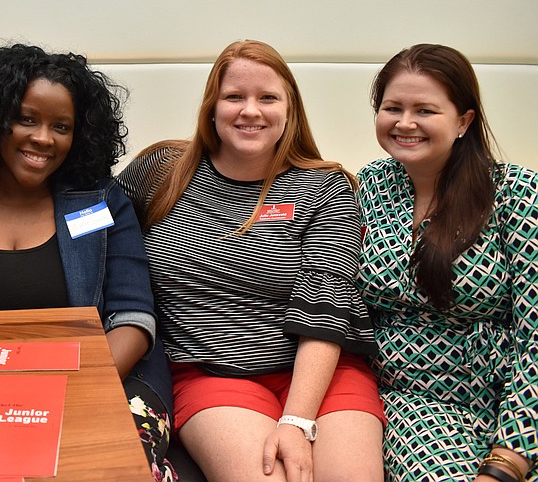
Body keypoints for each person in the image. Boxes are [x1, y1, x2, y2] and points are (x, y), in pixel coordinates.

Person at [0, 43, 175, 479]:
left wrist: (58, 395)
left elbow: (133, 319)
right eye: (27, 119)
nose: (44, 138)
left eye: (61, 126)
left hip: (107, 380)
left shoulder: (102, 203)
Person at [117, 40, 385, 482]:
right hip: (211, 376)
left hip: (320, 373)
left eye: (267, 98)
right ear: (212, 106)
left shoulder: (326, 187)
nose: (250, 111)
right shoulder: (163, 170)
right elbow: (91, 226)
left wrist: (297, 420)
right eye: (234, 97)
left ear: (289, 109)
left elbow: (326, 302)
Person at [357, 43, 538, 482]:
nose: (405, 123)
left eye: (425, 110)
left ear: (464, 121)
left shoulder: (516, 192)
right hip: (416, 402)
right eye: (392, 107)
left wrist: (510, 455)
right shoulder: (366, 185)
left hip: (517, 397)